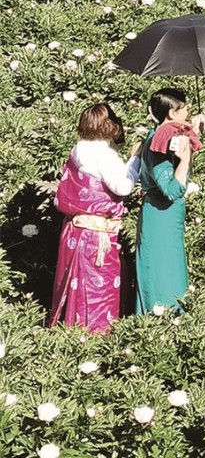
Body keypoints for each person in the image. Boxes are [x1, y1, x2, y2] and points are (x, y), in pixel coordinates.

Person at [51, 103, 141, 332]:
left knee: (75, 284)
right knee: (97, 290)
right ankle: (96, 334)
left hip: (75, 229)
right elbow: (122, 187)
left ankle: (71, 331)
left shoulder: (77, 151)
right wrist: (135, 160)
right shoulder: (105, 156)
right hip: (97, 235)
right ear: (110, 126)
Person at [135, 87, 199, 314]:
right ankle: (161, 321)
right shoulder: (159, 143)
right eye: (184, 109)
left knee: (171, 269)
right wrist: (185, 160)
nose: (187, 113)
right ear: (172, 113)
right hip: (161, 216)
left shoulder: (163, 135)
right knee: (164, 274)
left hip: (166, 216)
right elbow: (172, 190)